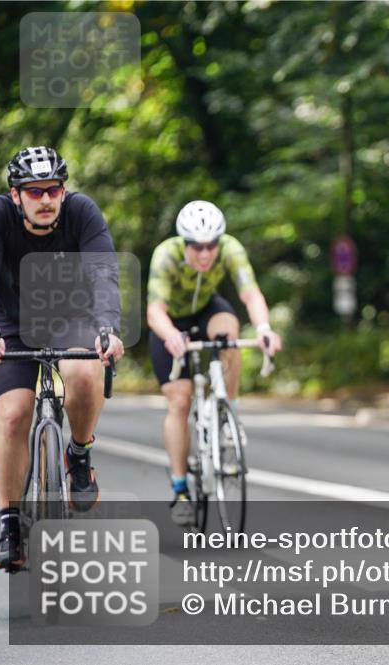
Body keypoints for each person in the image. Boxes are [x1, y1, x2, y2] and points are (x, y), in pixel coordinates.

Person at [0, 146, 125, 571]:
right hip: (12, 323)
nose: (45, 199)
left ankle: (79, 456)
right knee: (12, 416)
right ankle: (11, 526)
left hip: (72, 317)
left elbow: (103, 271)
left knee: (85, 375)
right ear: (16, 196)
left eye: (53, 190)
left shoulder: (82, 212)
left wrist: (108, 327)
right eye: (34, 191)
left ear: (64, 192)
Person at [146, 200, 281, 527]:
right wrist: (171, 335)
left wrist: (264, 328)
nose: (205, 255)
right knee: (180, 400)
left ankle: (228, 414)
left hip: (208, 308)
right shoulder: (166, 255)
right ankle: (180, 488)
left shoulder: (231, 249)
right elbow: (154, 310)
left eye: (211, 246)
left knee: (230, 336)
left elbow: (251, 294)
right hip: (171, 320)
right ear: (184, 243)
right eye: (197, 247)